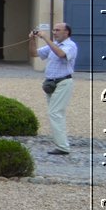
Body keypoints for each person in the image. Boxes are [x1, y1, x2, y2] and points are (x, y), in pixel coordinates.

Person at [31, 22, 78, 155]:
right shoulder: (54, 45)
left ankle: (63, 147)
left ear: (66, 32)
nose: (54, 32)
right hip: (51, 84)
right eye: (54, 30)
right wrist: (32, 40)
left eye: (57, 30)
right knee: (57, 114)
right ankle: (62, 145)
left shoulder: (70, 45)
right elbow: (34, 53)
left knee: (55, 113)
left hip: (63, 82)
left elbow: (61, 55)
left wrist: (46, 38)